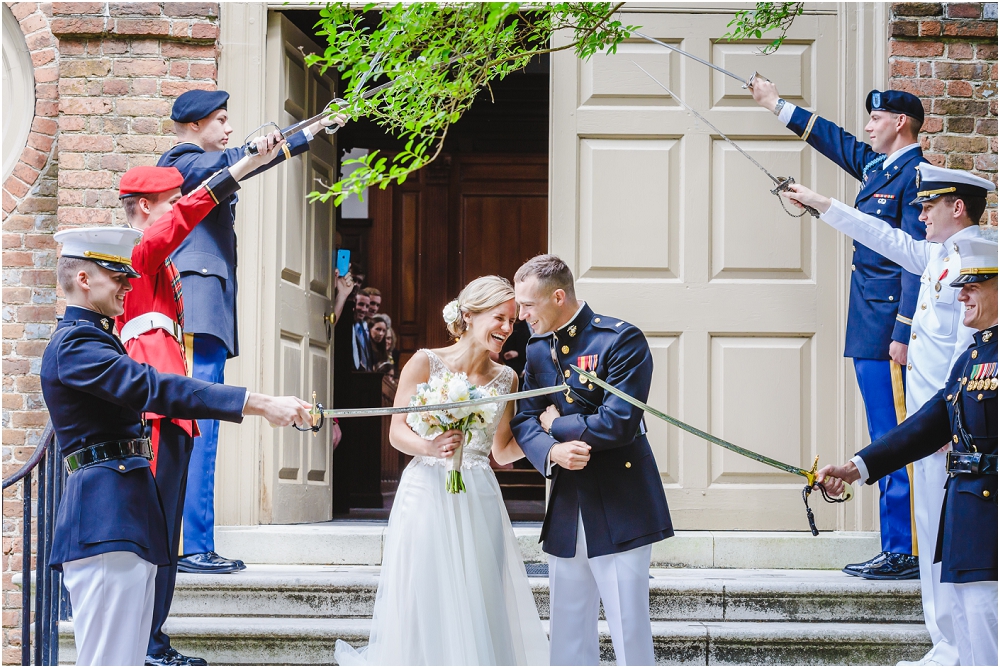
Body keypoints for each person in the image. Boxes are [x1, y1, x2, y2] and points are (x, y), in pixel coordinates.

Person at [42, 227, 312, 667]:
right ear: (85, 279)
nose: (130, 285)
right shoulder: (75, 343)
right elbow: (151, 386)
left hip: (125, 517)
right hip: (104, 520)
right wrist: (255, 402)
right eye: (118, 276)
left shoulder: (96, 339)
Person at [782, 166, 996, 667]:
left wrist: (959, 425)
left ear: (957, 206)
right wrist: (820, 202)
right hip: (931, 425)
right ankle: (946, 641)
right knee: (937, 534)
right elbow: (878, 234)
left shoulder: (980, 263)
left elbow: (977, 351)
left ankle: (960, 647)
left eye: (928, 205)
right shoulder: (937, 257)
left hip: (962, 432)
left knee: (966, 551)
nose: (919, 214)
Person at [113, 134, 287, 665]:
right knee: (153, 535)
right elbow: (183, 217)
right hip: (157, 411)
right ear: (147, 208)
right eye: (167, 202)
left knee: (164, 535)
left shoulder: (156, 261)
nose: (175, 211)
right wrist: (237, 171)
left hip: (173, 412)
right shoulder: (136, 249)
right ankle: (144, 644)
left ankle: (152, 640)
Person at [157, 89, 346, 574]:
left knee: (206, 428)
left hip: (208, 310)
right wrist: (279, 137)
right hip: (198, 310)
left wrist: (313, 127)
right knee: (199, 427)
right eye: (220, 120)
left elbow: (242, 164)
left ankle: (195, 541)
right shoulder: (184, 161)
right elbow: (234, 167)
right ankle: (191, 546)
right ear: (195, 124)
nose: (226, 128)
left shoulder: (200, 160)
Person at [752, 81, 927, 580]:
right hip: (869, 321)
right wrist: (773, 102)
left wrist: (904, 329)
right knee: (882, 432)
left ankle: (905, 548)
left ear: (899, 123)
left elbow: (913, 259)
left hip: (887, 327)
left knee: (893, 436)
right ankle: (896, 543)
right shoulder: (881, 167)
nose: (867, 126)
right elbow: (833, 139)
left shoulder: (916, 176)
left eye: (876, 119)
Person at [334, 276, 549, 665]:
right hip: (427, 489)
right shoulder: (424, 362)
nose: (507, 328)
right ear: (468, 315)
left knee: (479, 590)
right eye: (500, 318)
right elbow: (397, 432)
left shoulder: (508, 379)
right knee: (424, 588)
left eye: (514, 321)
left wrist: (546, 426)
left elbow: (502, 452)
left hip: (478, 492)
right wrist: (430, 446)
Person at [510, 254, 673, 666]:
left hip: (622, 500)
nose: (520, 315)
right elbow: (524, 418)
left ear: (558, 296)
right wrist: (552, 450)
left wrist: (557, 424)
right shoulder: (537, 350)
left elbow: (618, 423)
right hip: (568, 503)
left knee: (628, 626)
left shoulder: (620, 340)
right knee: (567, 628)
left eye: (527, 306)